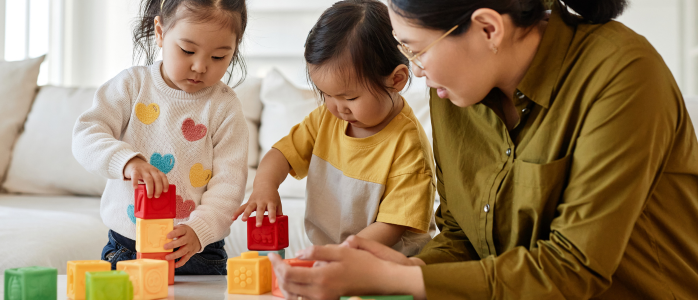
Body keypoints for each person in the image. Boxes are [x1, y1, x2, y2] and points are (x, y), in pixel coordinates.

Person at [269, 0, 698, 299]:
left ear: (488, 29)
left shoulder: (622, 74)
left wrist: (404, 279)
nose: (414, 73)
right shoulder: (454, 92)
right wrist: (402, 270)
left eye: (416, 51)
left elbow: (573, 267)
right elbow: (462, 235)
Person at [233, 0, 436, 256]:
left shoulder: (409, 147)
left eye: (349, 98)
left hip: (388, 260)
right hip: (337, 255)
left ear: (396, 80)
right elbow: (281, 154)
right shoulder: (326, 119)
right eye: (325, 94)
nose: (337, 108)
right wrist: (265, 186)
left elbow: (391, 227)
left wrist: (342, 255)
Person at [72, 0, 249, 275]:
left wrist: (198, 230)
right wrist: (127, 161)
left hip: (198, 251)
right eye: (188, 50)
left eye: (219, 57)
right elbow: (86, 134)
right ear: (160, 32)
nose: (201, 67)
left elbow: (229, 183)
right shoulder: (131, 85)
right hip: (128, 246)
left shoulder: (225, 106)